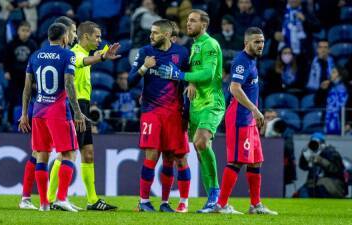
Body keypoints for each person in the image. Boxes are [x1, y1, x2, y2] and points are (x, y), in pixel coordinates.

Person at [157, 9, 225, 213]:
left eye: (193, 21)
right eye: (188, 20)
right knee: (200, 150)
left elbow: (208, 73)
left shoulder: (210, 44)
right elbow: (196, 74)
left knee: (202, 141)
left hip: (212, 103)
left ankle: (215, 194)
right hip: (195, 105)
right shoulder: (194, 46)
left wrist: (181, 75)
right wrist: (191, 82)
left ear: (203, 25)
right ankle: (211, 200)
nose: (188, 24)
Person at [47, 21, 120, 211]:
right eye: (97, 36)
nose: (100, 39)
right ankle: (51, 198)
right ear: (85, 36)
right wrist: (103, 57)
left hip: (83, 106)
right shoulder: (74, 53)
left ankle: (92, 200)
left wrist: (98, 55)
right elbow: (82, 61)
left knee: (87, 153)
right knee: (65, 153)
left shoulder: (84, 53)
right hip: (73, 107)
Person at [18, 22, 86, 212]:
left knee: (42, 155)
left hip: (38, 111)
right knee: (69, 154)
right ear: (65, 37)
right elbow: (69, 85)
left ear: (49, 37)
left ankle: (43, 204)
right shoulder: (68, 55)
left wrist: (24, 114)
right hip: (57, 112)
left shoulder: (35, 55)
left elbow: (26, 88)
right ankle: (62, 198)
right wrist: (78, 112)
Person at [129, 19, 191, 213]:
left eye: (155, 33)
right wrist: (144, 67)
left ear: (165, 34)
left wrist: (188, 104)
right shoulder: (145, 52)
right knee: (151, 154)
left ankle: (165, 202)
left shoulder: (181, 53)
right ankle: (144, 201)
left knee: (170, 158)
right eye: (151, 32)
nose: (151, 36)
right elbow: (129, 81)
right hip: (151, 111)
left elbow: (189, 80)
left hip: (174, 113)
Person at [216, 27, 277, 214]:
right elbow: (234, 88)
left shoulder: (252, 61)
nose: (261, 45)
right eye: (256, 42)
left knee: (255, 161)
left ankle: (255, 205)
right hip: (240, 118)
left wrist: (254, 113)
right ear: (246, 43)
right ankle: (221, 205)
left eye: (262, 41)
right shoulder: (241, 61)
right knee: (236, 161)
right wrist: (255, 110)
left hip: (249, 119)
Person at [295, 132, 347, 198]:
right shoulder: (311, 153)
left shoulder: (331, 152)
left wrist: (320, 160)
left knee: (320, 190)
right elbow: (303, 166)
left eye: (317, 143)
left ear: (323, 143)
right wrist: (304, 155)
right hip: (313, 184)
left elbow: (335, 169)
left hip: (330, 184)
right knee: (301, 194)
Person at [4, 21, 37, 123]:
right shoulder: (11, 44)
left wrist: (35, 80)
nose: (25, 33)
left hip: (28, 77)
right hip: (14, 76)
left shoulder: (33, 45)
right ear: (18, 31)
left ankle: (30, 122)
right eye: (23, 30)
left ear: (30, 32)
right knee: (11, 100)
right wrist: (6, 71)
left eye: (27, 31)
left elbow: (36, 63)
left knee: (29, 99)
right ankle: (10, 122)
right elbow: (6, 59)